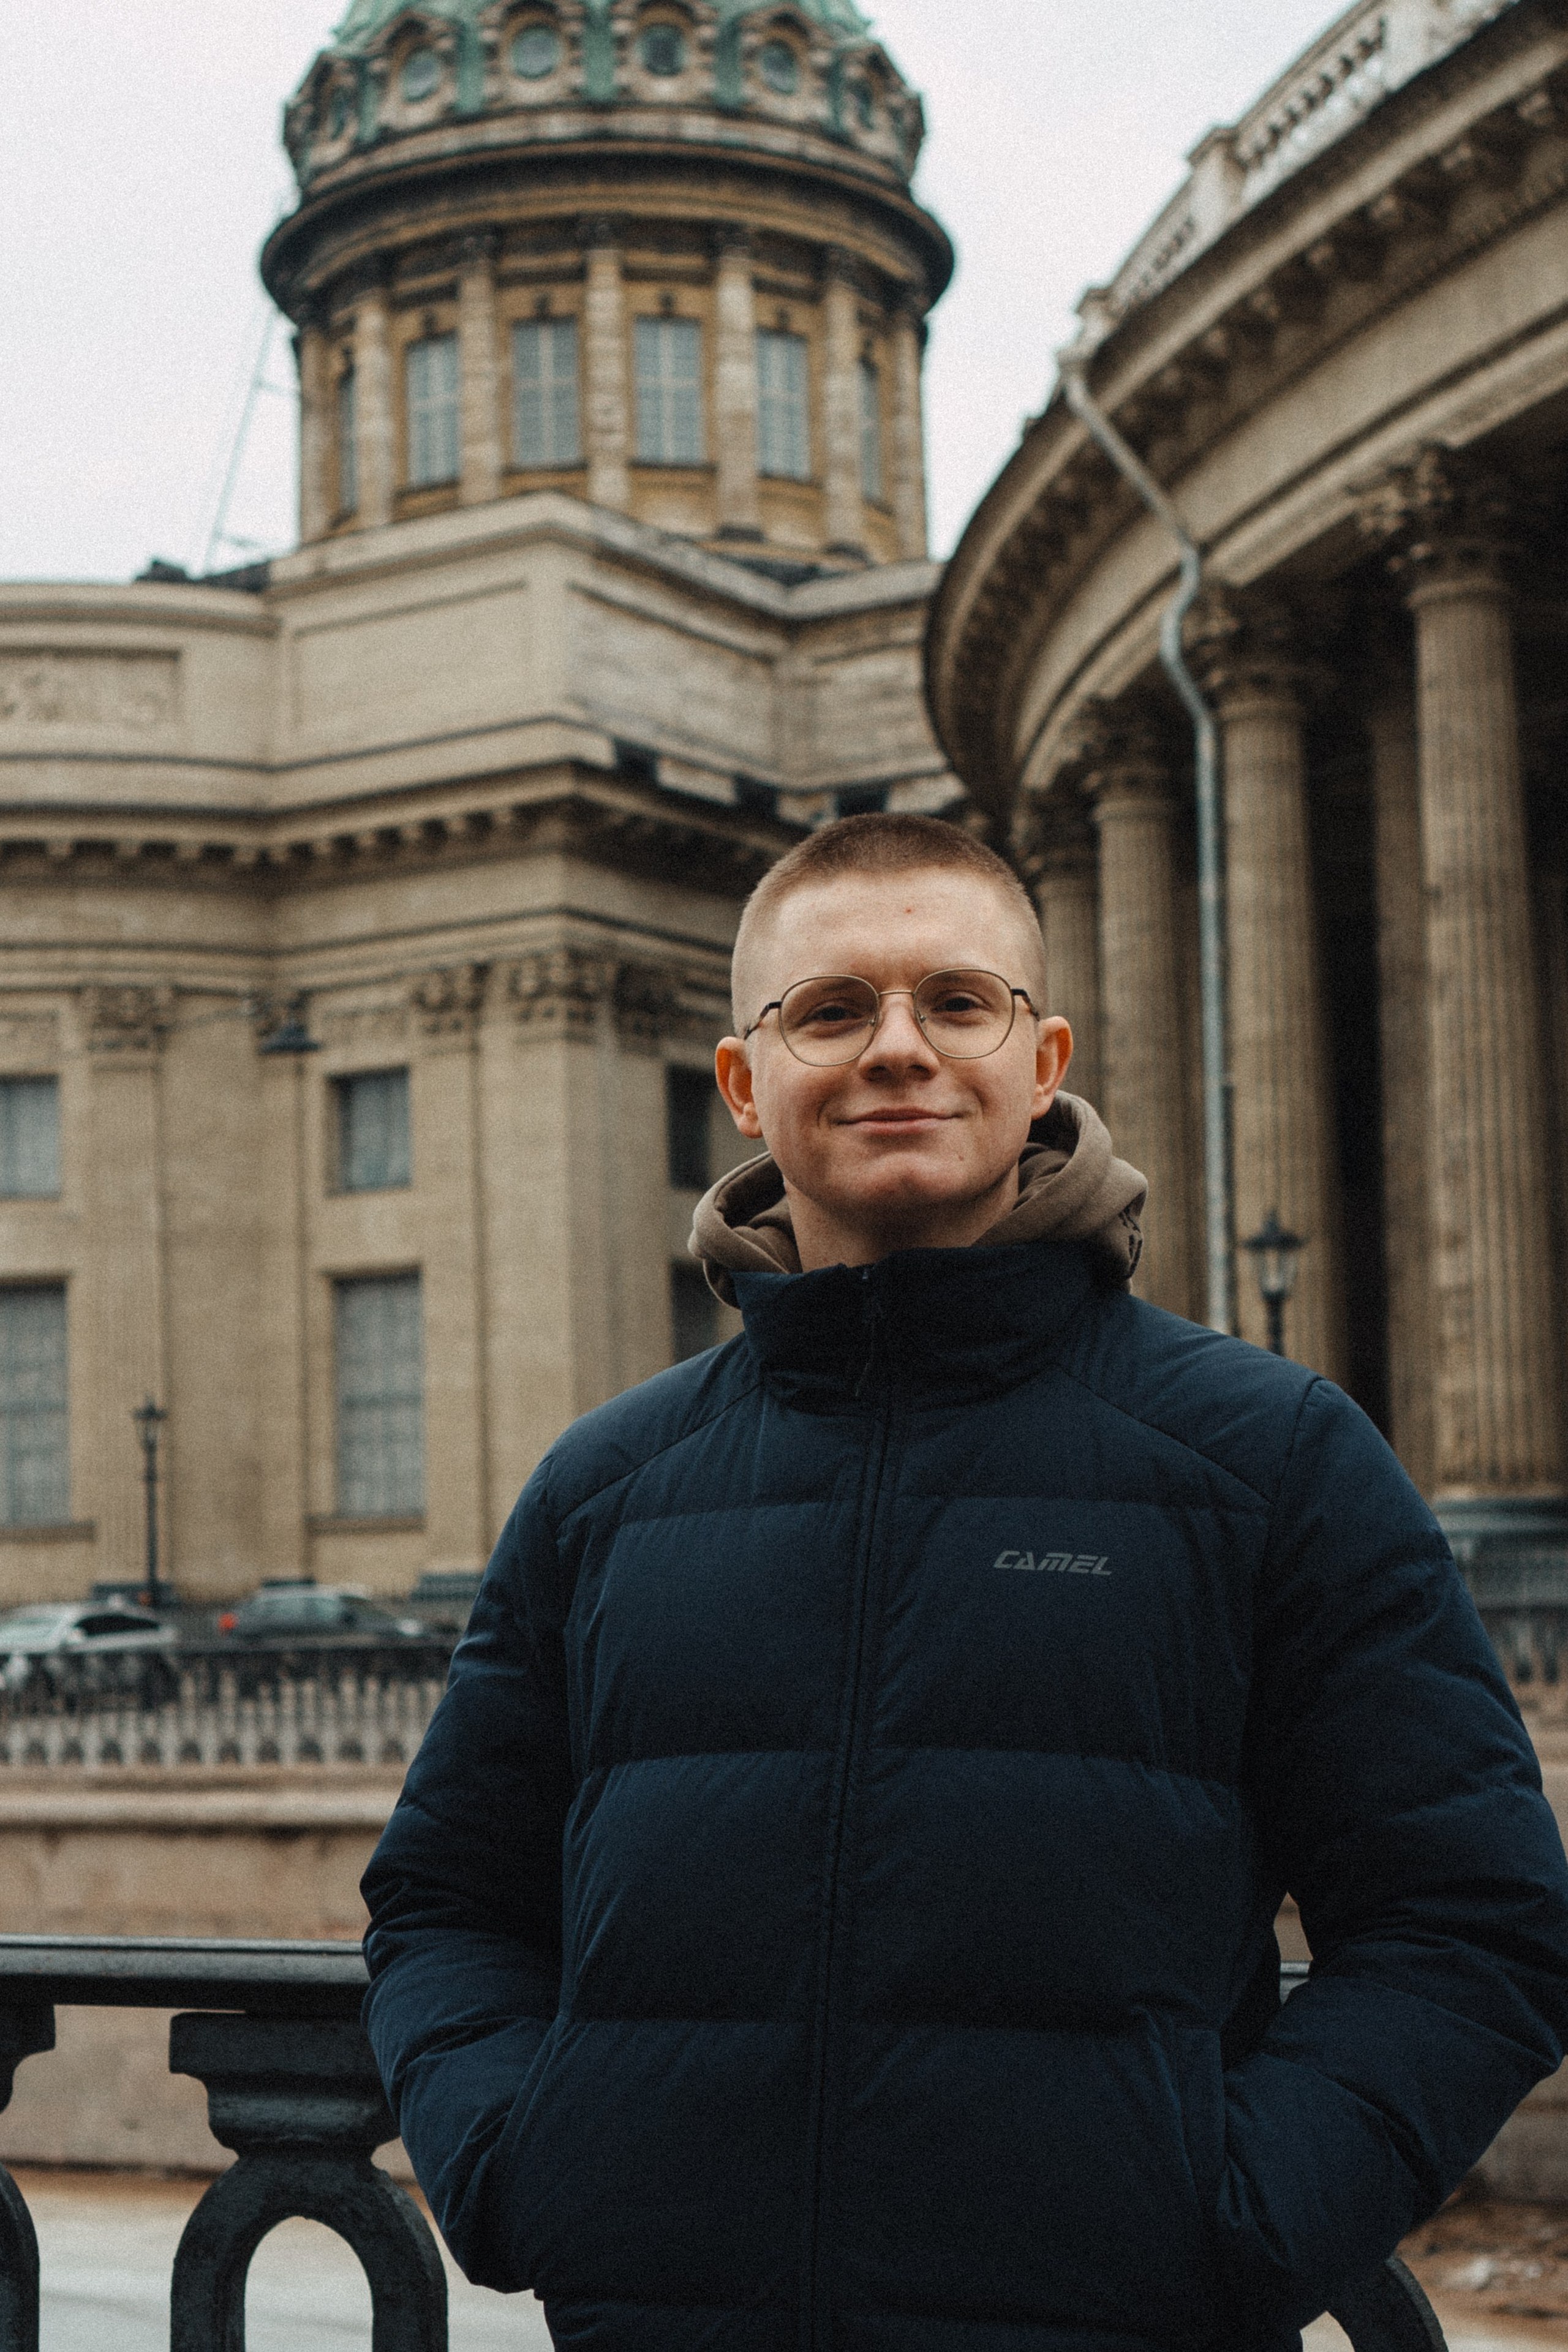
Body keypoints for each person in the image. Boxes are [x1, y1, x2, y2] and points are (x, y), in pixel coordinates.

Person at [362, 812, 1568, 2352]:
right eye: (829, 1010)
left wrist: (1231, 2225)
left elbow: (1467, 1922)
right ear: (745, 1080)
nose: (894, 1049)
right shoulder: (605, 1489)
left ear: (1042, 1056)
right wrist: (524, 2169)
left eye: (955, 1000)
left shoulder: (1265, 1456)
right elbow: (447, 1900)